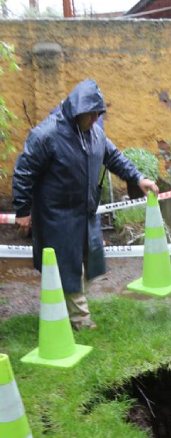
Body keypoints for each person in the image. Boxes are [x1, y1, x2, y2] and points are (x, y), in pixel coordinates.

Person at [11, 79, 158, 330]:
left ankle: (68, 308)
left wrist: (137, 178)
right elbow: (24, 172)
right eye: (90, 114)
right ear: (77, 111)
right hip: (56, 216)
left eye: (97, 114)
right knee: (69, 268)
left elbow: (113, 157)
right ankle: (81, 320)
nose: (94, 119)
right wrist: (23, 210)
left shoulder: (95, 134)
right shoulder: (46, 135)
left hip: (85, 214)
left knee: (89, 265)